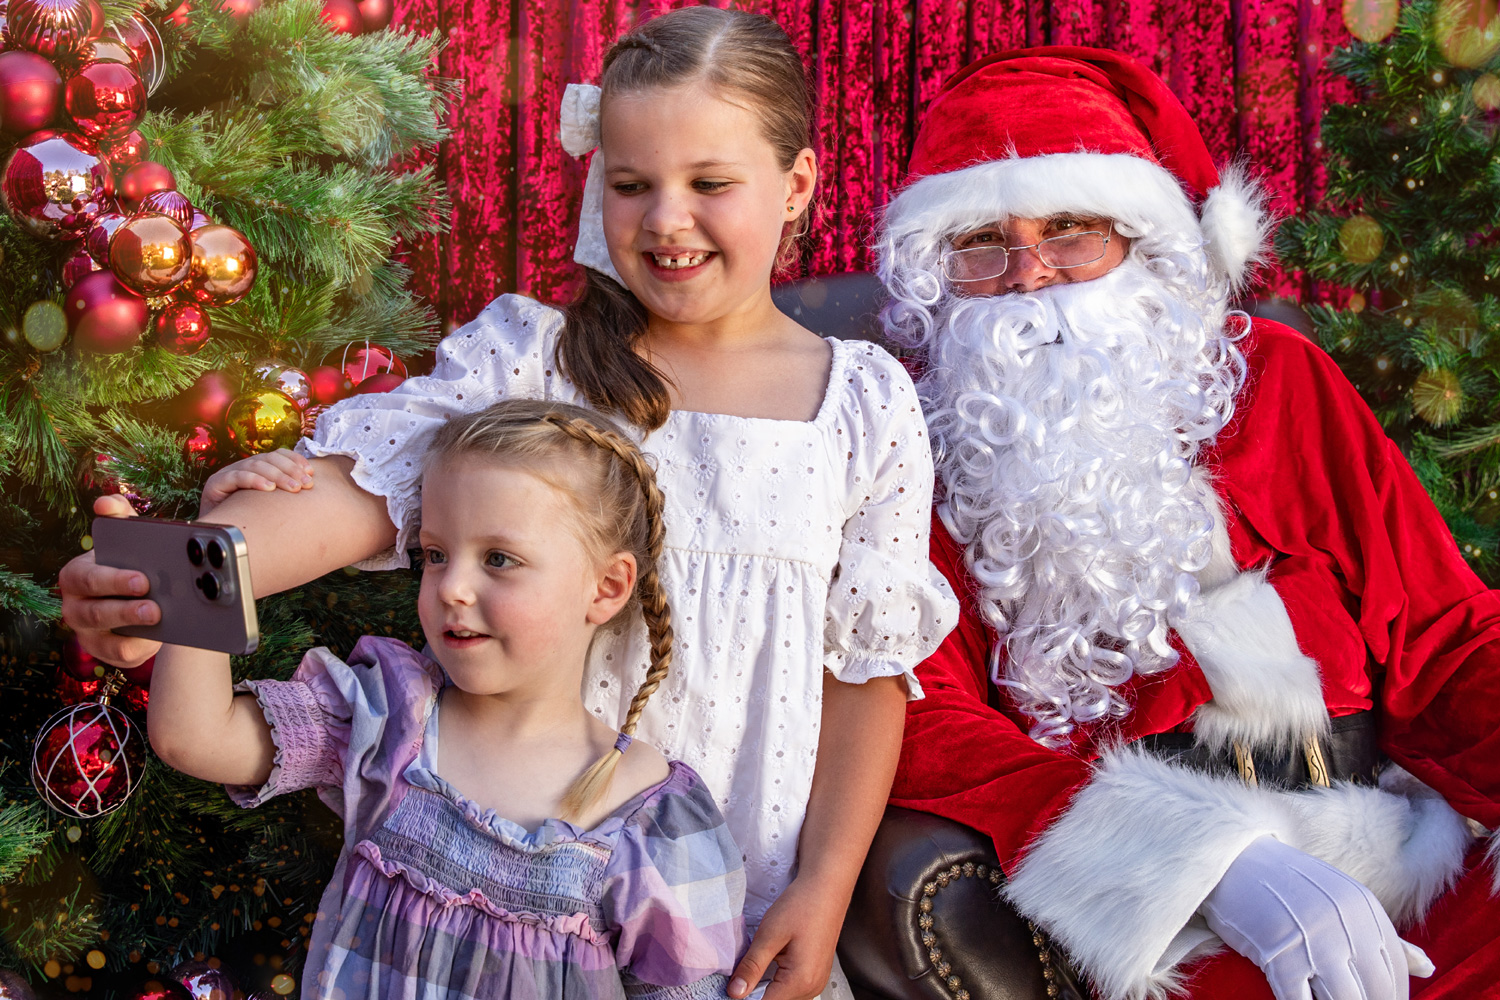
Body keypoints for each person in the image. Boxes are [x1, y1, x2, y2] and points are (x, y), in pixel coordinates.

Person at [62, 9, 956, 999]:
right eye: (631, 184)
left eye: (710, 184)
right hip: (516, 908)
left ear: (797, 185)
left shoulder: (863, 404)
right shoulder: (537, 360)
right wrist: (157, 584)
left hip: (728, 907)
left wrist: (826, 887)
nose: (666, 219)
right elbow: (362, 491)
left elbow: (866, 670)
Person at [875, 47, 1500, 1000]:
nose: (1031, 276)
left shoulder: (1279, 379)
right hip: (1165, 920)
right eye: (983, 244)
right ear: (938, 274)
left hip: (1407, 853)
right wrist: (1204, 862)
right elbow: (923, 720)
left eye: (1072, 231)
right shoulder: (911, 447)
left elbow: (1441, 633)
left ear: (1143, 243)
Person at [147, 400, 746, 1000]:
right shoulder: (387, 720)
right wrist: (205, 560)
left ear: (606, 587)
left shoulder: (652, 821)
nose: (452, 587)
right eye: (435, 555)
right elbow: (193, 737)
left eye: (499, 559)